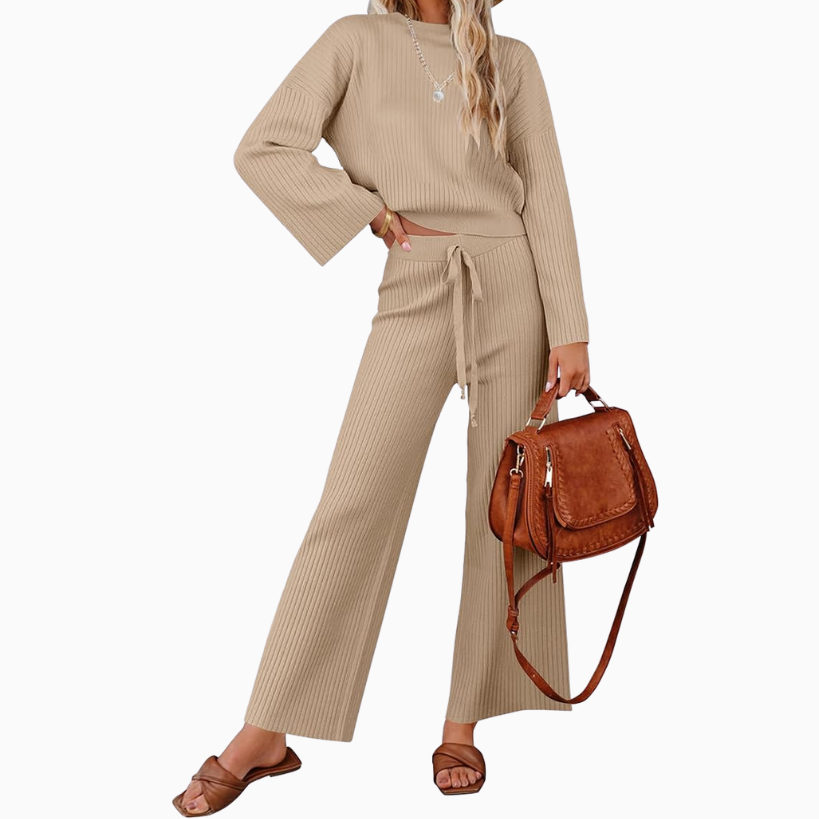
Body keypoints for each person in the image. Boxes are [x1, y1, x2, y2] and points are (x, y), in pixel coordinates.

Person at [173, 0, 591, 810]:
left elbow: (544, 192)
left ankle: (464, 720)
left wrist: (569, 325)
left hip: (513, 285)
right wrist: (361, 208)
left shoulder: (512, 59)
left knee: (501, 508)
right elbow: (263, 147)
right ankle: (267, 727)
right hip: (417, 276)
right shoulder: (353, 41)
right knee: (353, 502)